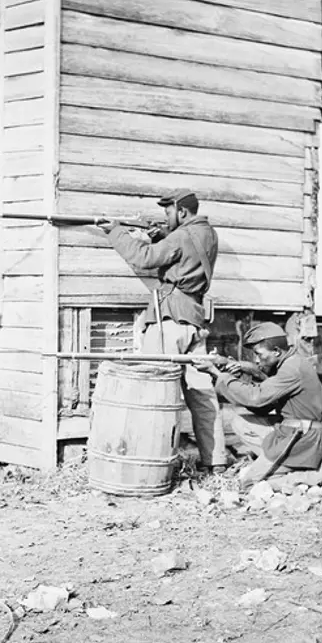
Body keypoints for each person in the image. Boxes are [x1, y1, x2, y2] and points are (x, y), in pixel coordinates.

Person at [97, 189, 228, 473]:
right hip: (194, 322)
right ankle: (215, 461)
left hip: (169, 321)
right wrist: (161, 236)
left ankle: (150, 463)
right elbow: (184, 258)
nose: (166, 218)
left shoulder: (180, 236)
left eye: (169, 212)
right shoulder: (207, 234)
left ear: (182, 212)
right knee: (202, 395)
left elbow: (144, 258)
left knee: (155, 393)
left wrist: (116, 232)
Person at [193, 322, 322, 488]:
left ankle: (311, 475)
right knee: (240, 422)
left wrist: (216, 373)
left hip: (304, 440)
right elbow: (263, 406)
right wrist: (241, 372)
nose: (257, 360)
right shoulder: (291, 362)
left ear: (277, 352)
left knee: (249, 482)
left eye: (259, 354)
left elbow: (255, 398)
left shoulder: (292, 369)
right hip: (296, 433)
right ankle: (289, 465)